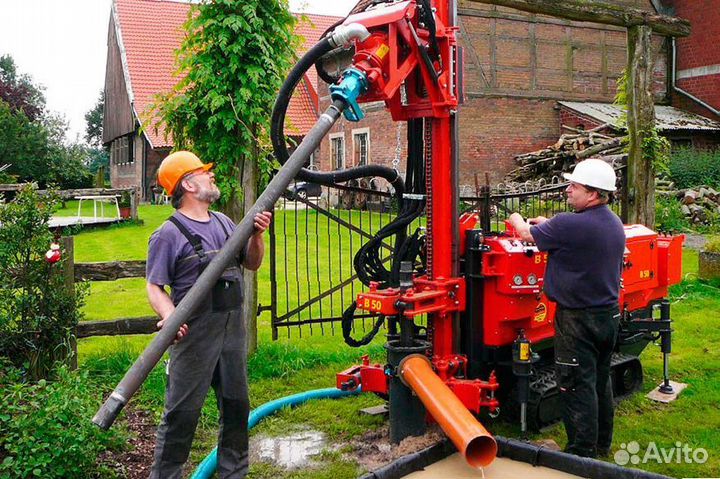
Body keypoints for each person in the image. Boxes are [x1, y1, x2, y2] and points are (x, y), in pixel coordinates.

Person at [146, 151, 272, 478]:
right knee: (181, 417)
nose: (211, 176)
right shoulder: (168, 234)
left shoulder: (224, 222)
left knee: (236, 410)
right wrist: (170, 315)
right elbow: (154, 287)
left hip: (231, 335)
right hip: (195, 338)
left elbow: (252, 263)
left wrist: (257, 235)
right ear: (188, 183)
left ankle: (234, 474)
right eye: (204, 173)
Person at [508, 159, 625, 458]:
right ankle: (601, 444)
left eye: (575, 186)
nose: (568, 190)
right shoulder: (611, 222)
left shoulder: (569, 224)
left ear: (594, 194)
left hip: (577, 320)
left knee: (575, 385)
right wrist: (547, 225)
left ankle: (580, 454)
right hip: (608, 315)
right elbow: (565, 232)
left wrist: (517, 216)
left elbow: (523, 234)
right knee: (600, 381)